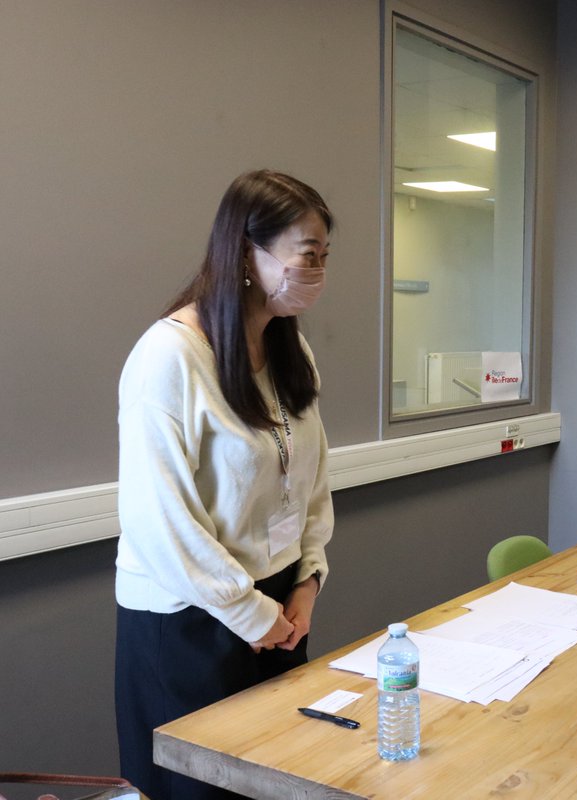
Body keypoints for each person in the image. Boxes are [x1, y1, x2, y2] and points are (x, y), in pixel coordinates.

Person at [114, 170, 335, 800]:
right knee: (200, 790)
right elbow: (161, 522)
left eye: (324, 256)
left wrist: (309, 580)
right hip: (190, 619)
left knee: (280, 779)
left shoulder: (291, 352)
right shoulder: (171, 356)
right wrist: (250, 611)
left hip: (278, 607)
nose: (317, 270)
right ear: (246, 252)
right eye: (306, 255)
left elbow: (311, 479)